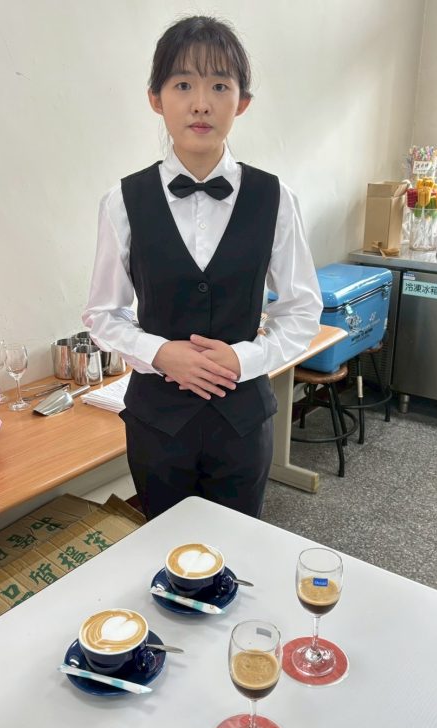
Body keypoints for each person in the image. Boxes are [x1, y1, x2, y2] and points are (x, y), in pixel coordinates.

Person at [83, 15, 323, 520]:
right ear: (156, 99)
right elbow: (103, 313)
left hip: (243, 422)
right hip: (157, 424)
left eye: (219, 85)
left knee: (238, 545)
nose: (200, 103)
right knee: (162, 545)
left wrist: (244, 359)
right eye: (183, 85)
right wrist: (159, 352)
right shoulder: (122, 201)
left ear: (242, 102)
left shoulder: (276, 198)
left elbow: (302, 310)